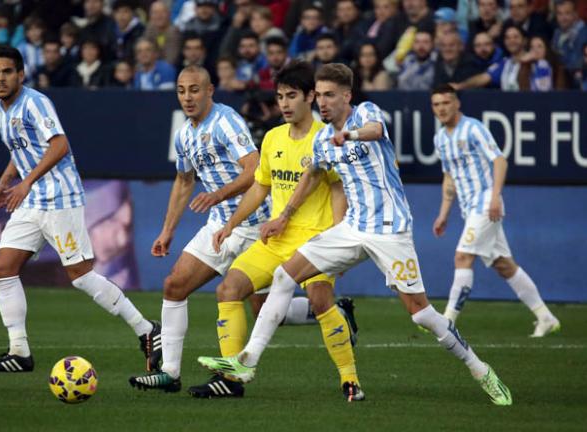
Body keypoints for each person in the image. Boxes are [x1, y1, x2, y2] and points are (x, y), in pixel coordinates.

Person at [197, 63, 513, 407]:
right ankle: (247, 362)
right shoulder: (321, 138)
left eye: (331, 95)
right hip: (352, 228)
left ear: (347, 95)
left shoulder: (366, 113)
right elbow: (313, 174)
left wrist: (348, 135)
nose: (324, 103)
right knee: (284, 276)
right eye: (320, 96)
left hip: (390, 231)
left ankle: (480, 369)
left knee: (421, 314)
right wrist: (284, 216)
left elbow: (376, 131)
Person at [187, 61, 359, 399]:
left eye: (291, 96)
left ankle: (350, 379)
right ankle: (230, 380)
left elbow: (339, 190)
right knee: (229, 289)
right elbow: (259, 187)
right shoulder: (272, 138)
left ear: (310, 97)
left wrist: (338, 238)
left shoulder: (324, 139)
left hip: (315, 240)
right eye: (280, 96)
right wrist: (230, 225)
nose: (284, 103)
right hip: (276, 238)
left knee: (320, 299)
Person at [0, 44, 156, 373]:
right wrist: (5, 183)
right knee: (3, 268)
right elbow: (19, 152)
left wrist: (27, 182)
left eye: (7, 72)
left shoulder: (35, 102)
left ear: (20, 74)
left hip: (60, 198)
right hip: (31, 201)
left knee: (81, 277)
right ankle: (19, 352)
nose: (1, 79)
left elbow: (59, 145)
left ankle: (146, 329)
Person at [127, 65, 269, 393]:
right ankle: (170, 373)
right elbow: (184, 181)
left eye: (194, 90)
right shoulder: (184, 133)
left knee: (264, 309)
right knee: (174, 285)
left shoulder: (226, 121)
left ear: (210, 91)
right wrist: (167, 231)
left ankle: (328, 312)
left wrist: (219, 194)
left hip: (255, 225)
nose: (187, 97)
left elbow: (255, 167)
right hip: (219, 226)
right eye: (181, 91)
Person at [430, 84, 560, 336]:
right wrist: (443, 213)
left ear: (457, 103)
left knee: (462, 257)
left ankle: (447, 321)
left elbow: (499, 160)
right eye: (436, 104)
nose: (441, 108)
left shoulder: (474, 128)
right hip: (469, 208)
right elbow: (449, 177)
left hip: (485, 203)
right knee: (504, 265)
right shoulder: (440, 139)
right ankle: (546, 317)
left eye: (446, 102)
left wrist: (495, 196)